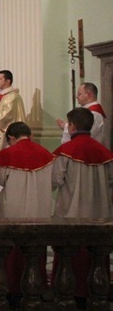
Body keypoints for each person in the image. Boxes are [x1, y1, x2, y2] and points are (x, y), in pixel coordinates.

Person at [51, 107, 113, 300]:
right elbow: (110, 180)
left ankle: (68, 295)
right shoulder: (105, 152)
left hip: (72, 212)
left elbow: (55, 181)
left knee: (70, 259)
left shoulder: (66, 151)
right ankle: (97, 295)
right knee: (97, 257)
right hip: (99, 213)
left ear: (72, 126)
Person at [0, 121, 54, 297]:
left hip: (13, 209)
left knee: (11, 250)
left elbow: (0, 180)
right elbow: (54, 181)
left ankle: (11, 287)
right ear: (30, 135)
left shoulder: (7, 154)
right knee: (35, 250)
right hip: (39, 209)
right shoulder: (46, 154)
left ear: (11, 138)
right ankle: (37, 287)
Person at [0, 70, 26, 158]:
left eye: (0, 79)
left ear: (7, 81)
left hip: (5, 130)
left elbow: (6, 116)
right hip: (0, 128)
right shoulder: (4, 95)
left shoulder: (12, 96)